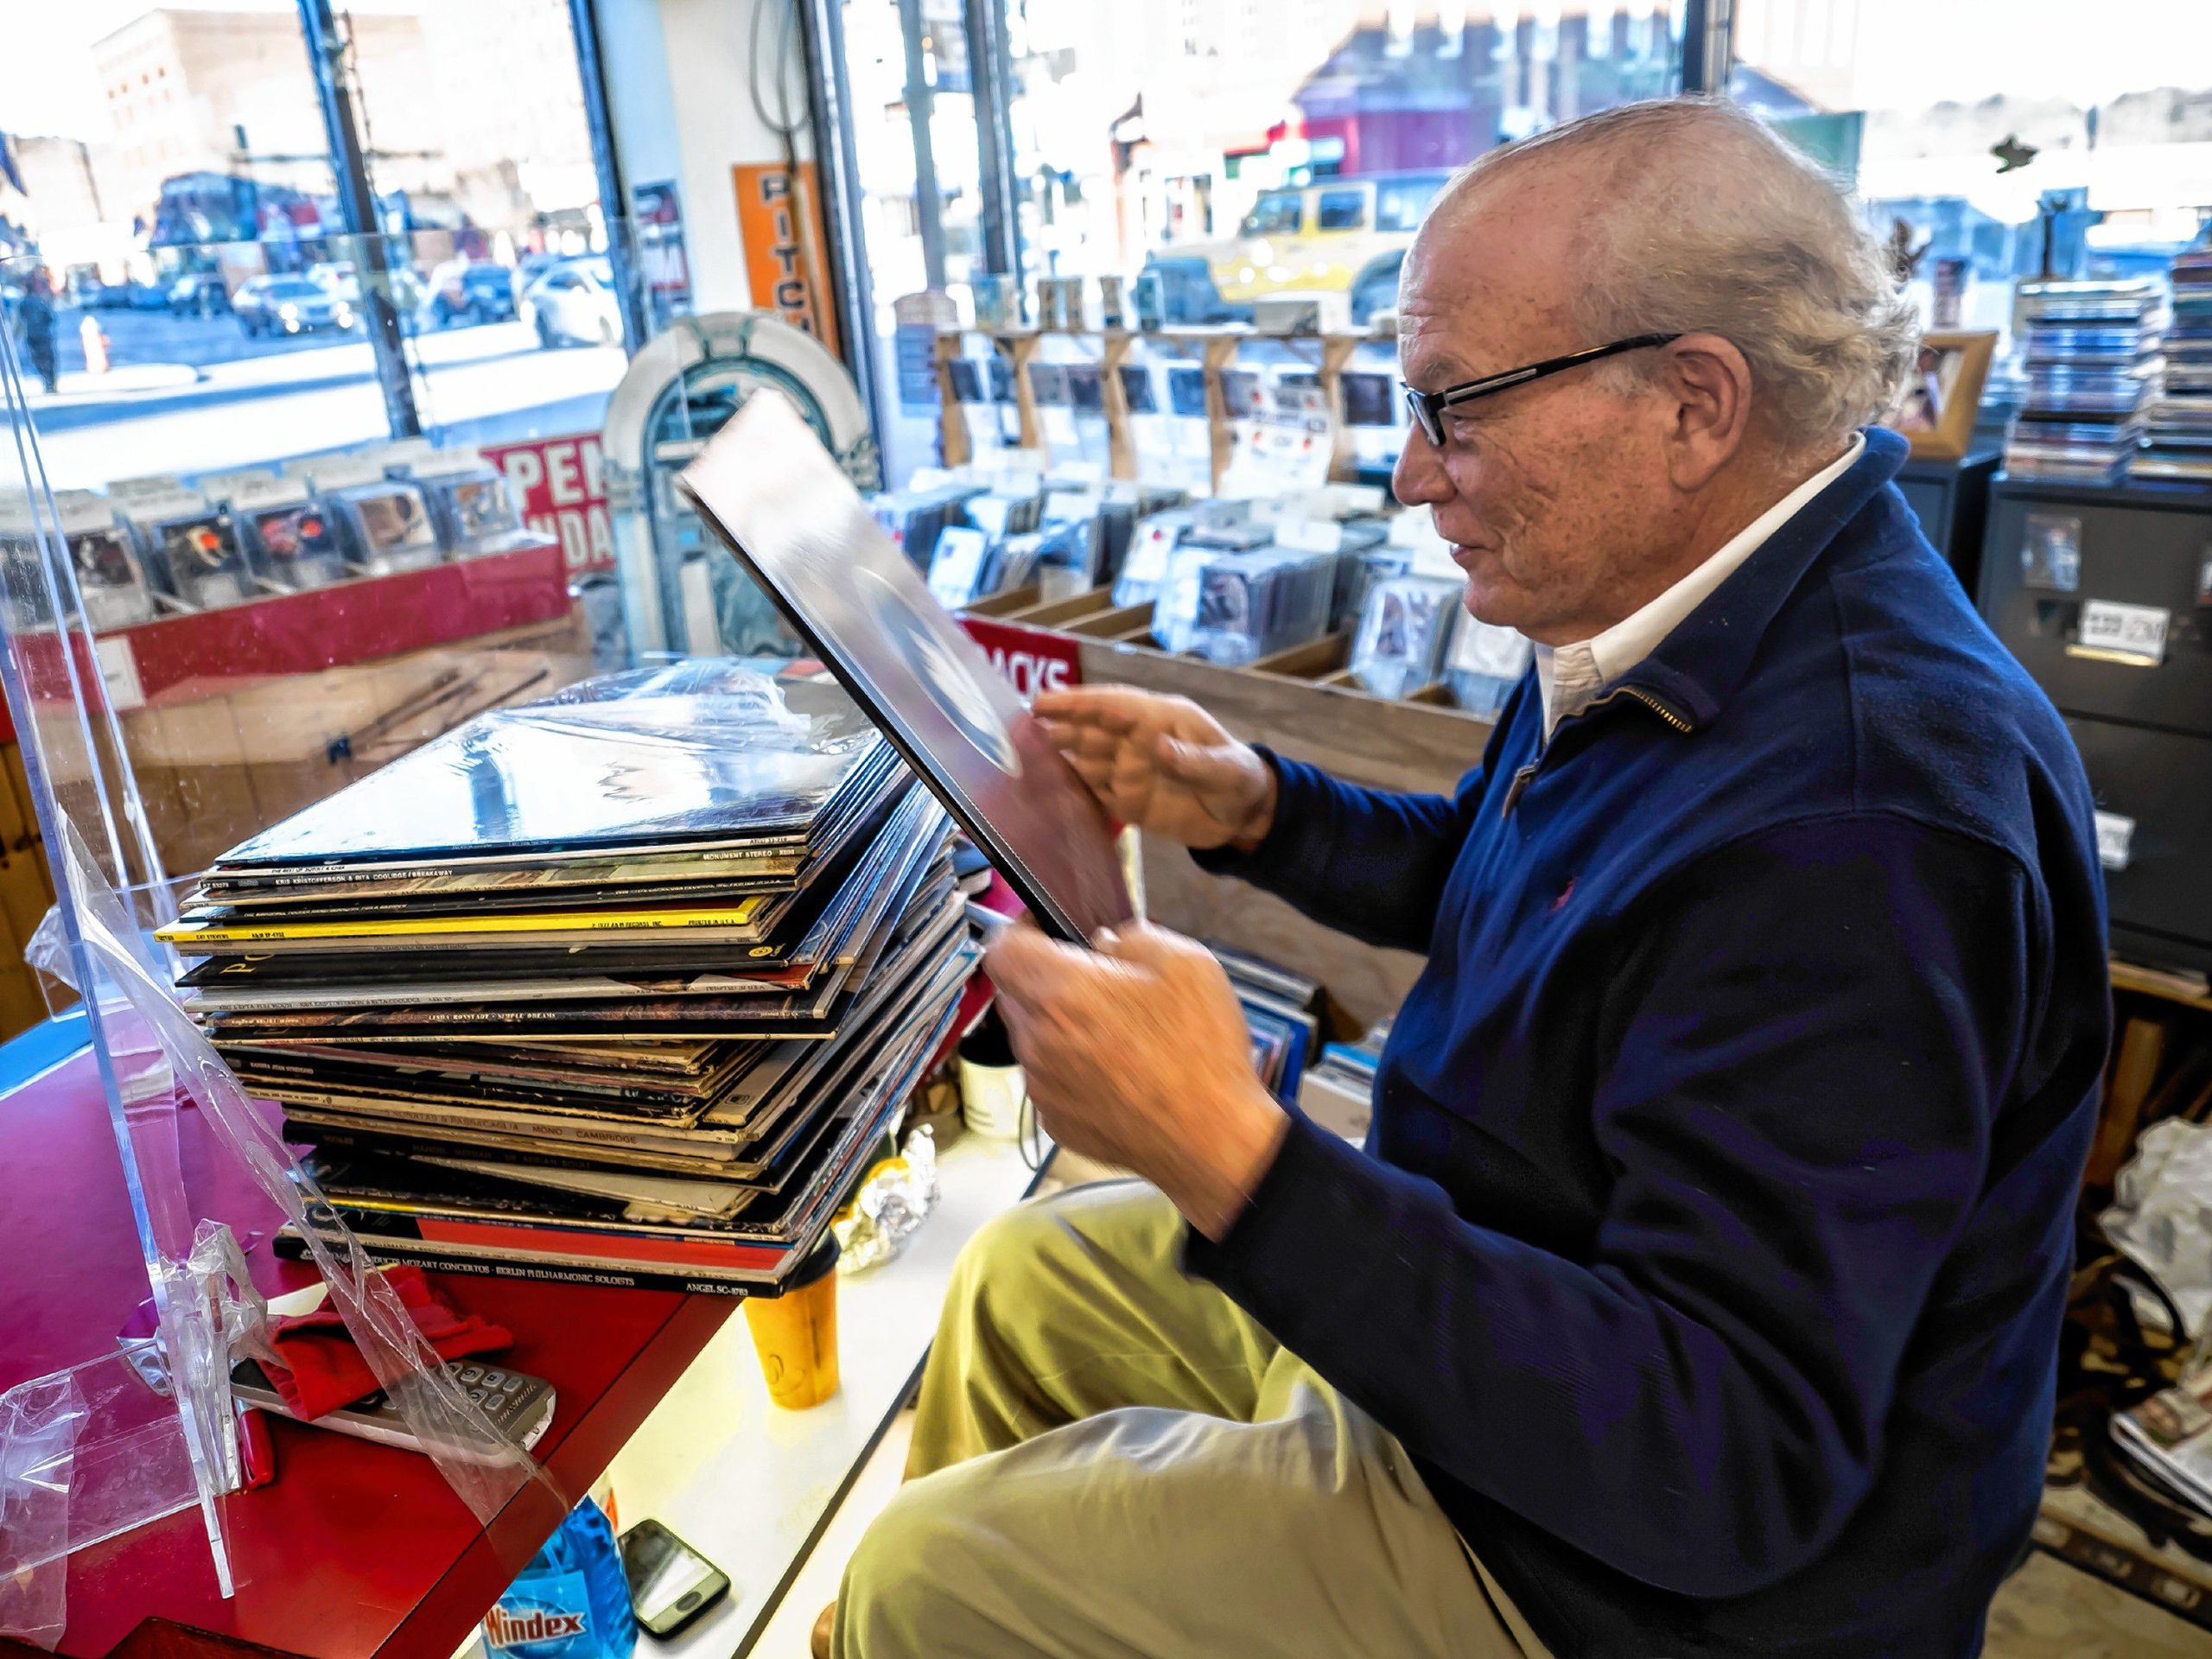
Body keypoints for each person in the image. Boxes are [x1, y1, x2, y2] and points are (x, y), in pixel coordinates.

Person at [825, 97, 2110, 1659]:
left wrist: (1235, 1154)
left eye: (1454, 406)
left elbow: (1726, 1470)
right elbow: (1538, 899)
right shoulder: (1670, 613)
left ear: (1692, 404)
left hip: (1638, 1582)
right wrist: (1257, 809)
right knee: (1034, 1279)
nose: (1410, 478)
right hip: (1503, 1299)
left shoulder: (1862, 821)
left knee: (932, 1573)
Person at [13, 268, 59, 396]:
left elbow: (18, 321)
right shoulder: (39, 302)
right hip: (42, 335)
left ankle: (48, 380)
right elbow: (50, 318)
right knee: (47, 358)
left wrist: (15, 335)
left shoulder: (24, 303)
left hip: (33, 335)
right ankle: (49, 380)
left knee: (39, 358)